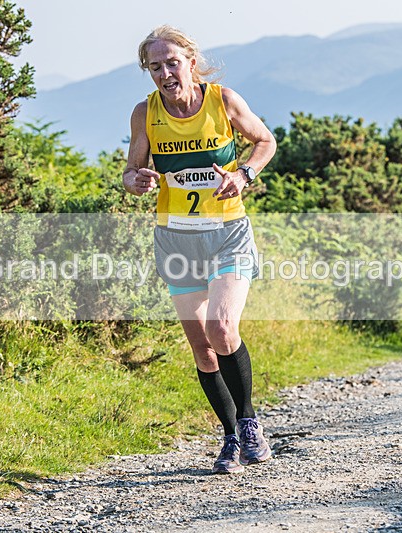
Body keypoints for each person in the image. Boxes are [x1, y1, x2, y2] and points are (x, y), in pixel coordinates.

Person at [123, 25, 277, 474]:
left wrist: (243, 175)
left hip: (227, 232)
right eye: (156, 66)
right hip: (176, 238)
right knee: (202, 346)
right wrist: (136, 180)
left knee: (222, 326)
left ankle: (249, 423)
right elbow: (132, 173)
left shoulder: (223, 101)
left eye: (173, 62)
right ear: (148, 72)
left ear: (191, 60)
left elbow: (265, 141)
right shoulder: (145, 113)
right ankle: (229, 437)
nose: (166, 73)